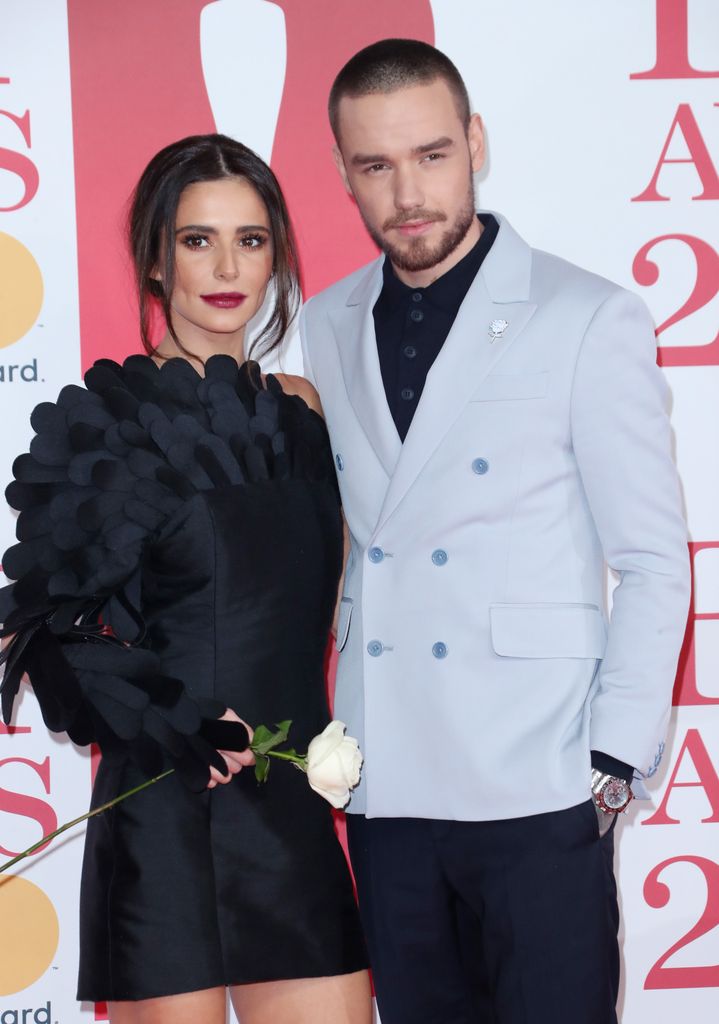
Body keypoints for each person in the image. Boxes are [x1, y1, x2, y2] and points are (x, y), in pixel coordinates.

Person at [300, 38, 691, 1024]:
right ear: (344, 174)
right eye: (375, 166)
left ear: (474, 142)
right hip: (387, 786)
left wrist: (607, 766)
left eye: (430, 155)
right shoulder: (326, 320)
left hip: (537, 781)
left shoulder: (584, 315)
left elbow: (649, 559)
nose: (407, 193)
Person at [0, 134, 370, 1024]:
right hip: (165, 806)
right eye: (197, 239)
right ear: (156, 257)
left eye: (249, 239)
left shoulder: (302, 411)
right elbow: (45, 632)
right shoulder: (110, 424)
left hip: (287, 808)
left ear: (277, 251)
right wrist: (181, 720)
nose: (226, 266)